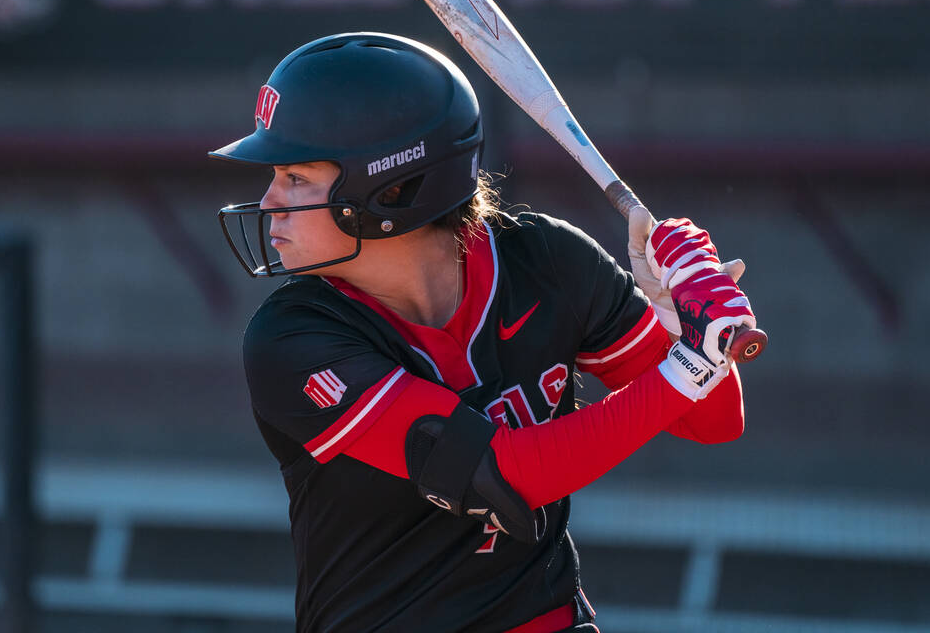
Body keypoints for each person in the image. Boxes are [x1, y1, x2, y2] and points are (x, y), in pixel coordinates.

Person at [209, 32, 757, 633]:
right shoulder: (293, 339)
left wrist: (684, 330)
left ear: (391, 190)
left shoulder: (545, 260)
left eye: (295, 177)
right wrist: (691, 365)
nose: (269, 202)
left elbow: (713, 421)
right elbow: (503, 474)